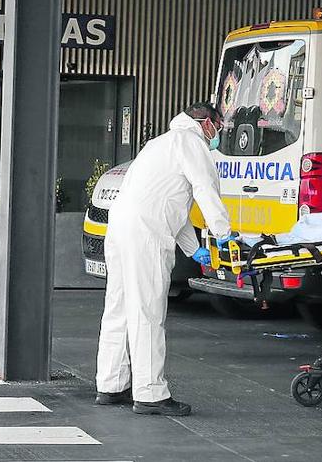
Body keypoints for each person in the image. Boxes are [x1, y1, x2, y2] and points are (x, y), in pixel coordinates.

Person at [94, 101, 238, 416]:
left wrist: (193, 248)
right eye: (219, 126)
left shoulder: (159, 144)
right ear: (206, 123)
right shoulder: (191, 143)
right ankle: (150, 393)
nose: (218, 134)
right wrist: (224, 233)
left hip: (120, 229)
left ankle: (111, 384)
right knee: (147, 311)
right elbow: (204, 190)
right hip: (146, 234)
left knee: (118, 308)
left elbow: (174, 204)